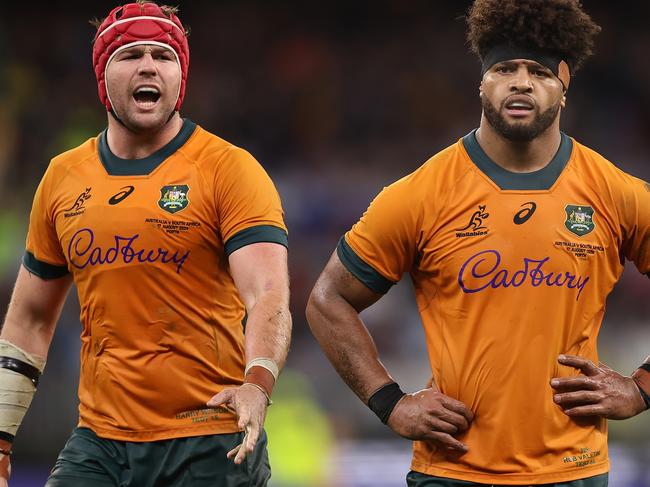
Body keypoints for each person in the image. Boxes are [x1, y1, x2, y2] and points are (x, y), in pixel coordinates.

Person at [306, 0, 650, 485]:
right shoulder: (423, 193)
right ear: (482, 82)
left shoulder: (615, 193)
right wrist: (390, 402)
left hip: (573, 471)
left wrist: (641, 389)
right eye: (505, 68)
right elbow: (328, 300)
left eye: (540, 72)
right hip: (451, 469)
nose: (522, 82)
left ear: (564, 86)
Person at [0, 1, 291, 486]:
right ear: (103, 76)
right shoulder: (62, 178)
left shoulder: (228, 168)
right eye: (130, 54)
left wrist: (258, 384)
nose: (149, 66)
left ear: (181, 76)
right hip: (101, 441)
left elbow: (268, 295)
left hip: (211, 435)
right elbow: (28, 321)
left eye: (164, 55)